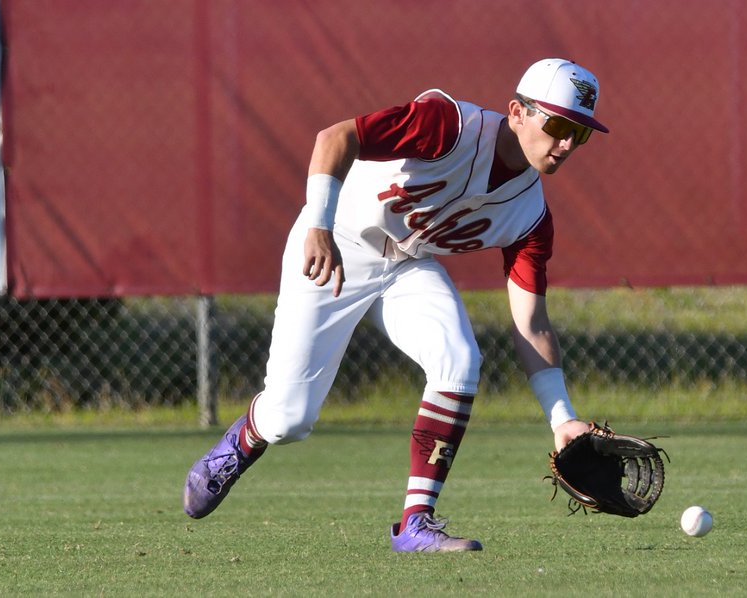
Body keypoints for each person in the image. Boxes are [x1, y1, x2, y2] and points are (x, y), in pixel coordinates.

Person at [183, 58, 608, 553]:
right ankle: (242, 441)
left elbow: (531, 323)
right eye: (557, 124)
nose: (565, 144)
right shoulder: (450, 126)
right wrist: (318, 225)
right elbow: (335, 138)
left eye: (580, 134)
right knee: (290, 419)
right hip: (337, 241)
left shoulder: (531, 216)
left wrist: (562, 418)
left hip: (407, 264)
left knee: (460, 360)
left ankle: (415, 523)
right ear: (517, 112)